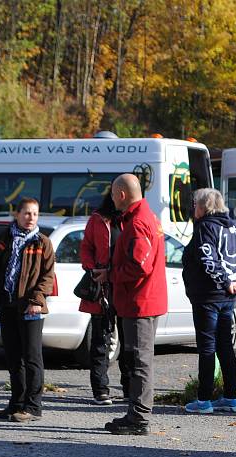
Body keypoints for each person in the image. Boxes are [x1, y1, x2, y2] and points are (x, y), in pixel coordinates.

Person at [104, 173, 167, 435]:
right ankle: (136, 413)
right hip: (143, 300)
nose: (111, 199)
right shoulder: (147, 217)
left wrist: (110, 274)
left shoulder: (138, 222)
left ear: (120, 195)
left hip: (140, 302)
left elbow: (138, 266)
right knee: (139, 359)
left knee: (140, 360)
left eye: (112, 194)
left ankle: (139, 418)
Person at [0, 197, 55, 423]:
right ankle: (16, 403)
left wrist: (36, 299)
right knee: (14, 357)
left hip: (31, 307)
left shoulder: (42, 243)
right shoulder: (3, 239)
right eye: (26, 213)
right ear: (17, 215)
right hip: (8, 304)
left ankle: (33, 406)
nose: (30, 218)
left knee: (32, 356)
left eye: (34, 214)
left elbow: (48, 276)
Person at [182, 188, 236, 414]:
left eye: (195, 205)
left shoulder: (205, 227)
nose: (194, 209)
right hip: (228, 297)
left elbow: (207, 257)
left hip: (208, 296)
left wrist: (224, 282)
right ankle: (231, 397)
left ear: (203, 206)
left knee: (207, 347)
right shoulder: (232, 228)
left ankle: (204, 400)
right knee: (225, 346)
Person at [79, 192, 126, 405]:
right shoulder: (98, 219)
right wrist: (92, 267)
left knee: (129, 341)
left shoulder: (131, 218)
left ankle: (130, 388)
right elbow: (86, 247)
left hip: (125, 286)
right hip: (101, 287)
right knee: (100, 340)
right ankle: (101, 390)